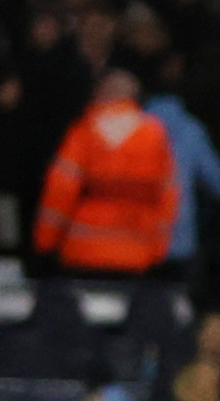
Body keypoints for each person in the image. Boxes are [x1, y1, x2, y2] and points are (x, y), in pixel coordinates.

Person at [34, 65, 176, 278]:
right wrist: (158, 249)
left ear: (100, 93)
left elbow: (60, 190)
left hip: (84, 251)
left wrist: (45, 242)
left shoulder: (84, 133)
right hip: (137, 254)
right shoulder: (154, 137)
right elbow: (168, 197)